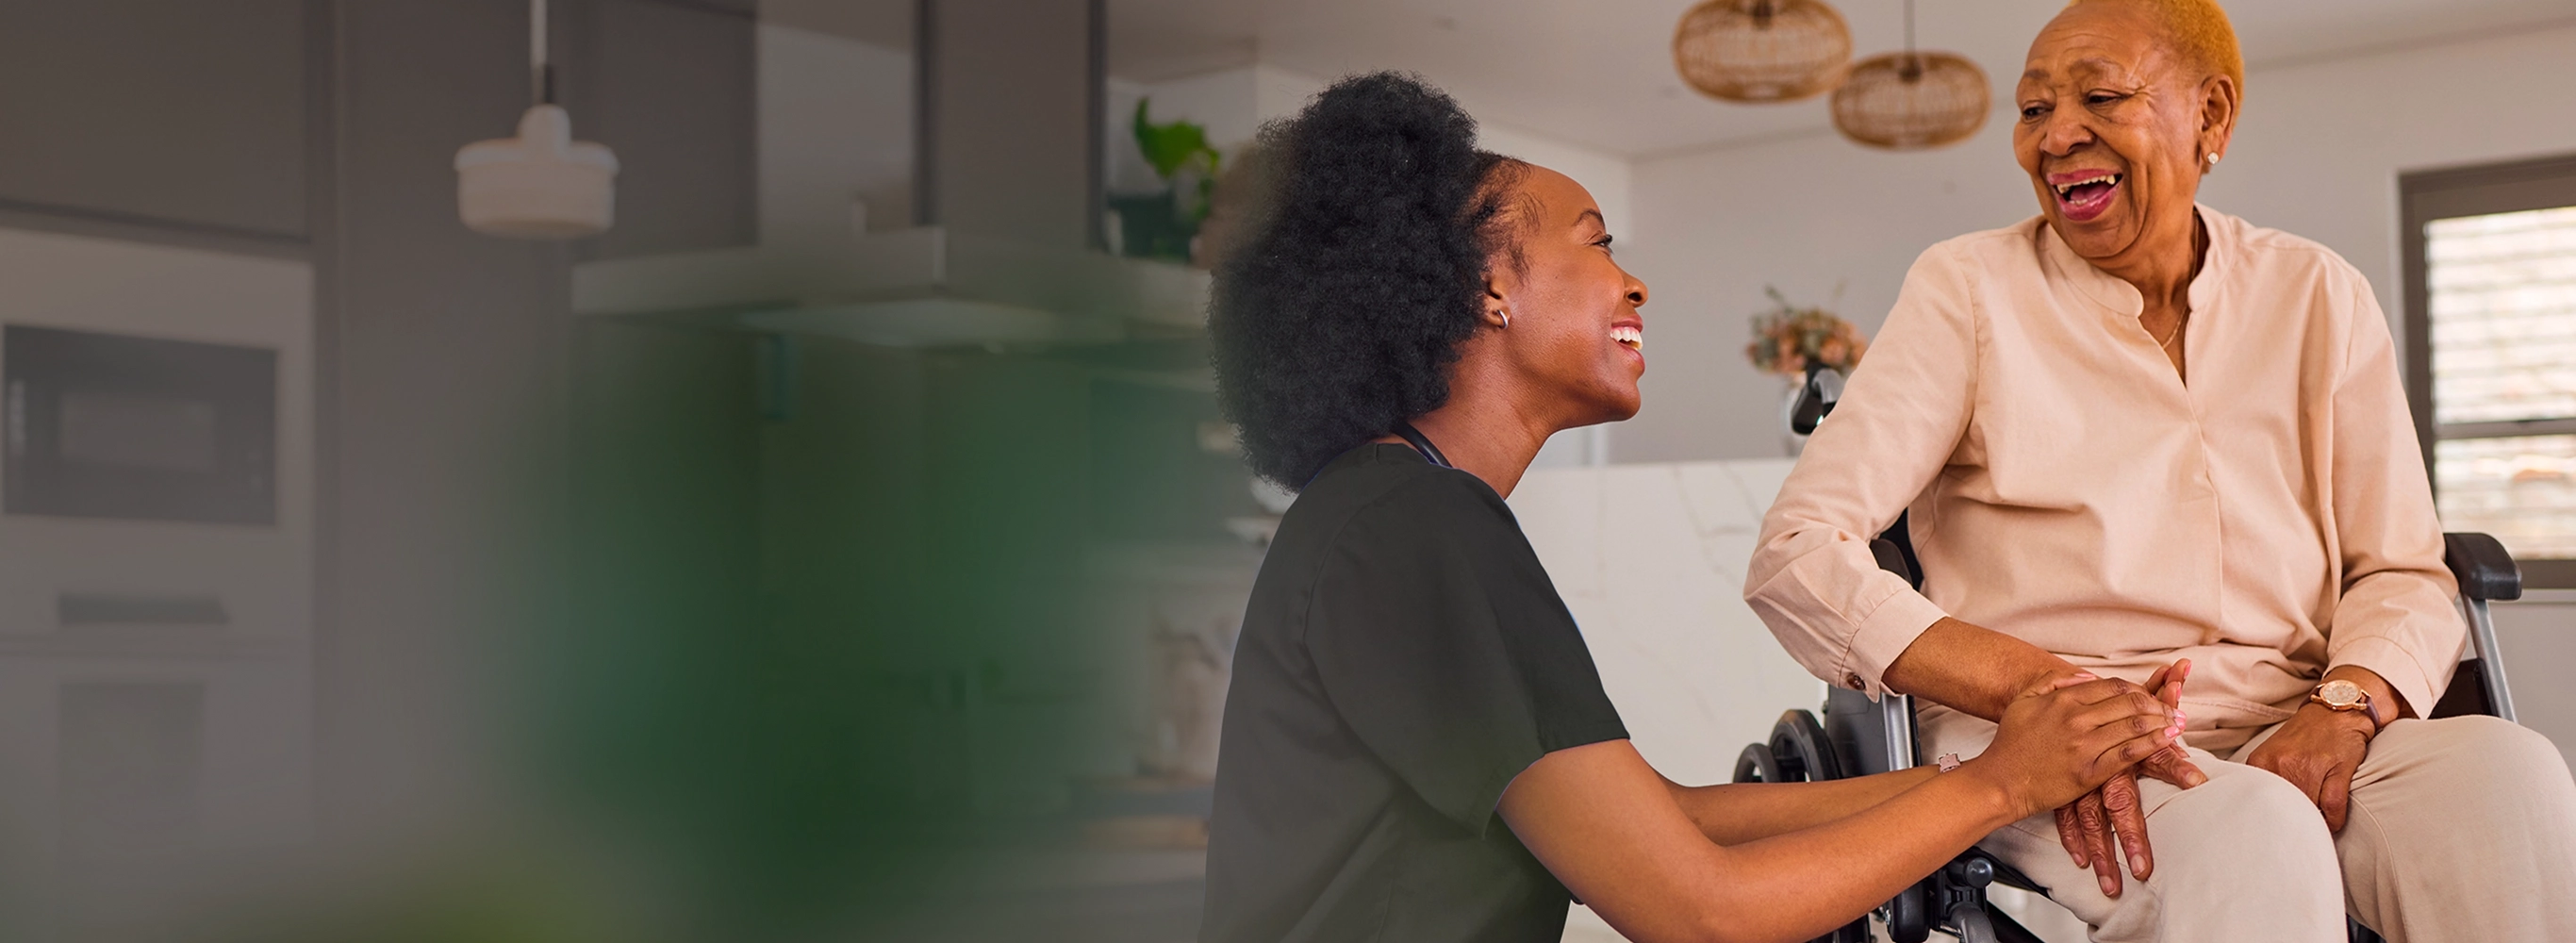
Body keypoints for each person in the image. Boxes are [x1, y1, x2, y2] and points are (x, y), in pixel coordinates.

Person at [1199, 72, 2185, 943]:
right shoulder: (1418, 528)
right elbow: (1699, 908)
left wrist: (1988, 789)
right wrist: (1999, 782)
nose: (1633, 282)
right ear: (1487, 283)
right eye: (1595, 242)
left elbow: (1663, 818)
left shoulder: (1388, 511)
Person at [1744, 1, 2576, 939]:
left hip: (2292, 713)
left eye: (2098, 95)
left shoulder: (2314, 294)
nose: (2055, 136)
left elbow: (2399, 564)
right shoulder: (1966, 289)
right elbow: (1794, 552)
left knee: (2508, 782)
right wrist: (2040, 693)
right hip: (2050, 742)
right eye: (2030, 110)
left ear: (2210, 117)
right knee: (2252, 831)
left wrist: (2346, 704)